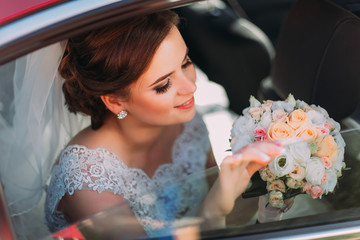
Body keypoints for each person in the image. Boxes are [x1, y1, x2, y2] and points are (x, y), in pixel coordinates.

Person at [44, 10, 284, 237]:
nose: (191, 87)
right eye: (163, 85)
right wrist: (213, 211)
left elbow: (226, 212)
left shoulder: (187, 125)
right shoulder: (87, 180)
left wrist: (270, 184)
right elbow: (215, 209)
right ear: (116, 102)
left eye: (186, 62)